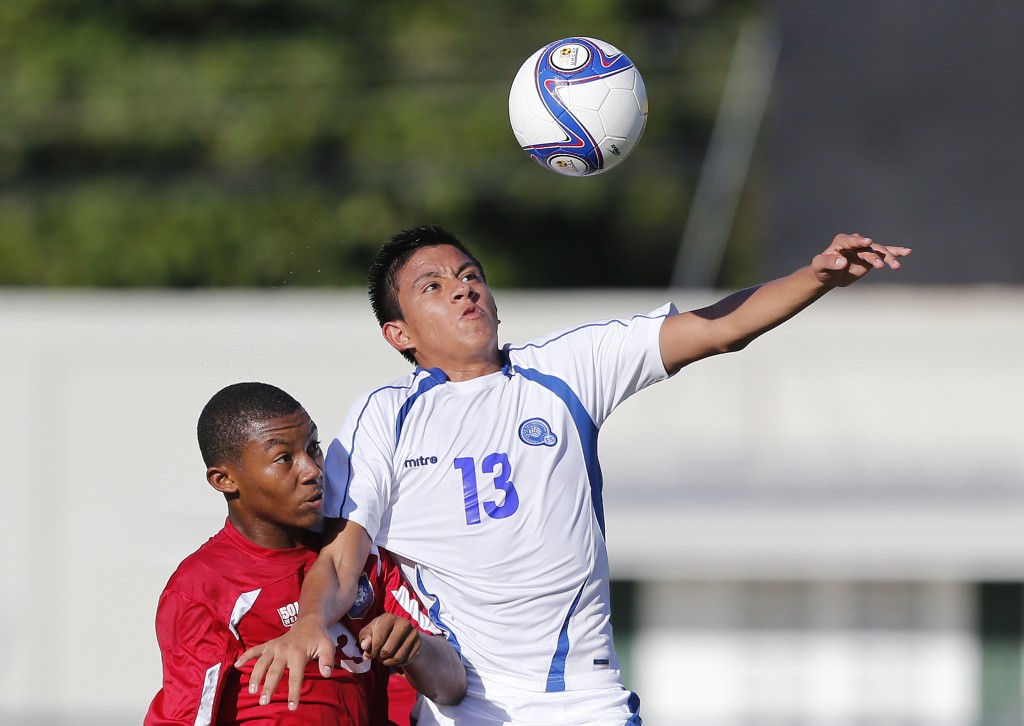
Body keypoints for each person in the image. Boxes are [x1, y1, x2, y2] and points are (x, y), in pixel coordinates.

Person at [238, 227, 911, 725]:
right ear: (399, 334)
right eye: (432, 287)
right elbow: (342, 557)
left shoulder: (567, 368)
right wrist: (310, 622)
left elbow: (716, 331)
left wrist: (817, 277)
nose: (464, 288)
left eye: (470, 275)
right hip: (463, 708)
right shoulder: (385, 414)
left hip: (586, 704)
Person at [144, 381, 466, 726]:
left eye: (314, 448)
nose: (313, 470)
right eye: (284, 458)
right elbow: (183, 718)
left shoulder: (358, 552)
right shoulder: (202, 587)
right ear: (224, 479)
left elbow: (453, 687)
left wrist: (414, 648)